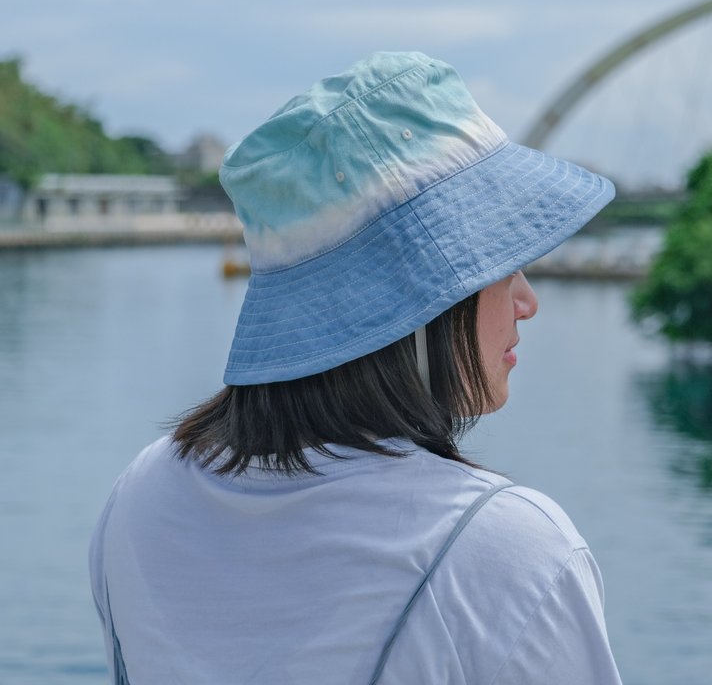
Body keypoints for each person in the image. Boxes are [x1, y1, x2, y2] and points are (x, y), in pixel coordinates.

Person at [89, 51, 623, 684]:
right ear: (419, 302)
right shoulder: (506, 550)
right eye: (502, 266)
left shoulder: (142, 496)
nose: (528, 302)